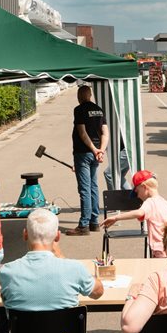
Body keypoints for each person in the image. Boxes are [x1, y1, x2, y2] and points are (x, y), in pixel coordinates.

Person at [0, 208, 103, 310]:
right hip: (64, 327)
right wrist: (62, 257)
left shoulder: (8, 271)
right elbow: (98, 292)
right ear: (57, 236)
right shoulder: (75, 269)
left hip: (22, 327)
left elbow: (6, 300)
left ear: (25, 234)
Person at [101, 170, 167, 258]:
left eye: (137, 191)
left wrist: (116, 218)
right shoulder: (164, 202)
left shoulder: (150, 202)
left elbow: (139, 212)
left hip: (160, 248)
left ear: (144, 187)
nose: (137, 196)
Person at [67, 85, 109, 236]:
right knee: (93, 186)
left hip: (83, 153)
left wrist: (93, 149)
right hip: (96, 154)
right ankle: (94, 222)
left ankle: (83, 225)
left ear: (80, 96)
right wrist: (101, 150)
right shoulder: (99, 109)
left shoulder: (79, 110)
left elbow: (82, 132)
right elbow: (105, 132)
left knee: (84, 188)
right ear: (90, 95)